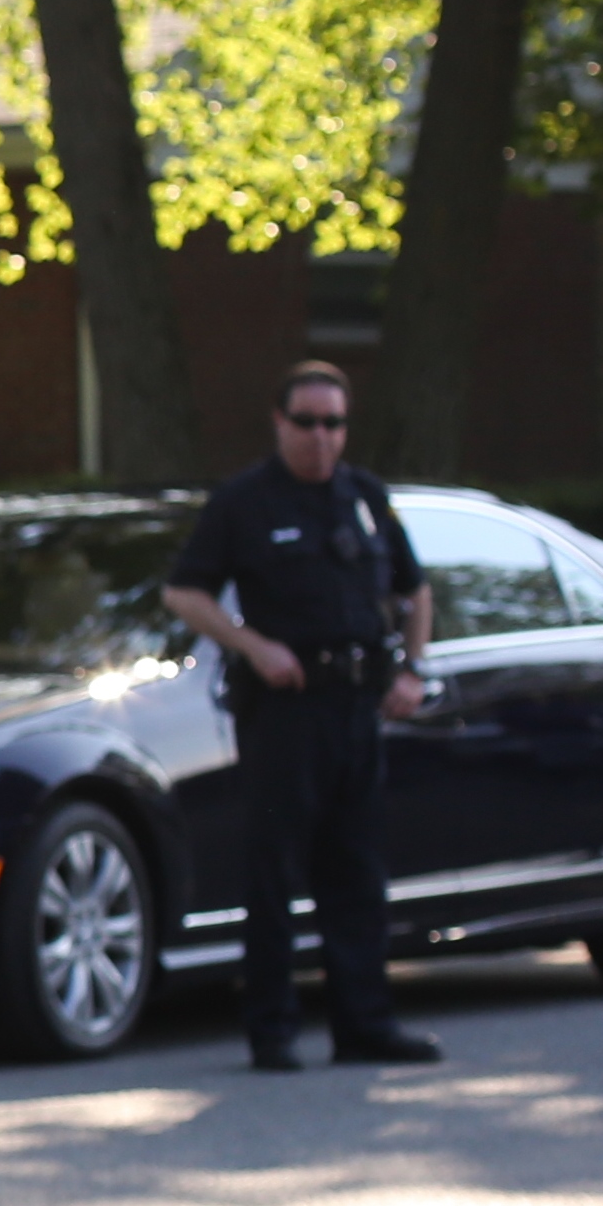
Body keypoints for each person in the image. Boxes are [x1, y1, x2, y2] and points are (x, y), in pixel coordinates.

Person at [161, 358, 444, 1074]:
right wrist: (252, 645)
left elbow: (415, 590)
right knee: (274, 873)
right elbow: (185, 593)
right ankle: (273, 1030)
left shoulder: (365, 497)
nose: (322, 437)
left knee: (357, 873)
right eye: (308, 422)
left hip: (357, 703)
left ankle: (364, 1024)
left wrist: (413, 669)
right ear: (279, 422)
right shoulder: (245, 503)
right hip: (286, 712)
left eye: (335, 423)